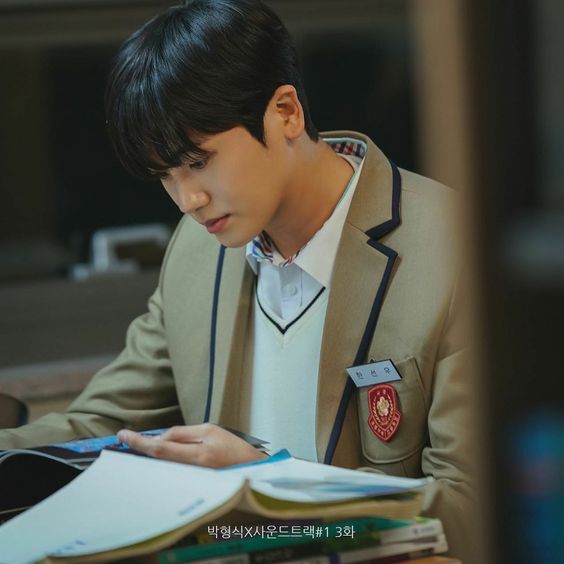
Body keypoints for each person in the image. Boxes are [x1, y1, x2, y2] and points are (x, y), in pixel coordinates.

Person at [0, 0, 483, 560]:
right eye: (165, 175)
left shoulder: (455, 250)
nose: (187, 199)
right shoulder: (197, 252)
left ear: (285, 113)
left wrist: (266, 479)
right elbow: (104, 424)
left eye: (199, 161)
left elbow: (477, 510)